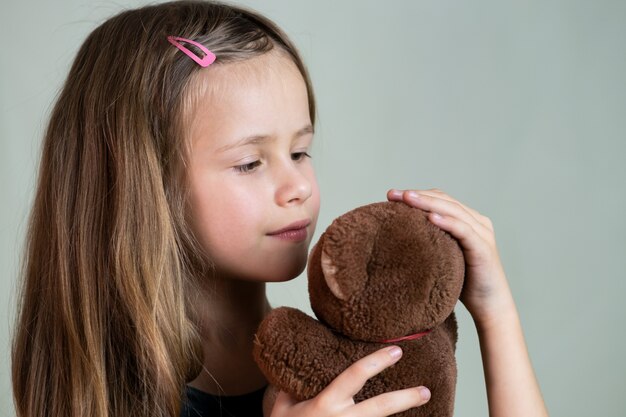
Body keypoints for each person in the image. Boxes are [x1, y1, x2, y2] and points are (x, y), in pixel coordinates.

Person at [11, 1, 549, 416]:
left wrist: (495, 312)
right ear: (139, 186)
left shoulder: (342, 357)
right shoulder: (105, 392)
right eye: (249, 162)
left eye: (299, 152)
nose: (297, 187)